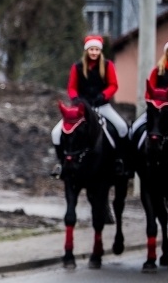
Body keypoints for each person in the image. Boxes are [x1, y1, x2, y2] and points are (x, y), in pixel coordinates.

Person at [50, 35, 130, 178]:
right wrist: (76, 99)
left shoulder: (107, 65)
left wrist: (103, 95)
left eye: (96, 50)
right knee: (56, 133)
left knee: (122, 127)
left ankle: (121, 160)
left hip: (102, 106)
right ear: (87, 51)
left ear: (100, 51)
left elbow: (113, 85)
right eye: (91, 49)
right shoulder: (77, 66)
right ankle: (61, 164)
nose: (94, 52)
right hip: (81, 109)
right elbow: (72, 87)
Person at [129, 39, 168, 139]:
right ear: (166, 53)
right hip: (157, 109)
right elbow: (149, 90)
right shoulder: (158, 70)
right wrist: (152, 103)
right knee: (135, 127)